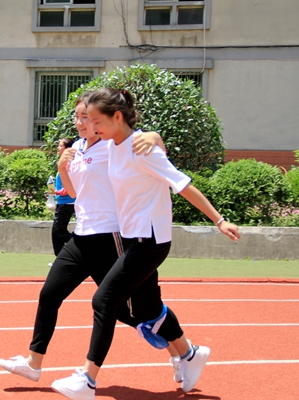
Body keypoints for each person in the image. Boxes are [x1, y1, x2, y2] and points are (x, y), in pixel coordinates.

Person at [50, 88, 240, 400]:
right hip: (130, 239)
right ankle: (190, 354)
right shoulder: (113, 146)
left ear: (117, 116)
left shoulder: (142, 148)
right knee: (148, 309)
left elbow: (183, 185)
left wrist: (219, 220)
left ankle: (87, 380)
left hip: (149, 241)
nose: (91, 127)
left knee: (103, 301)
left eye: (96, 121)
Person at [0, 93, 184, 386]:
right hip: (82, 235)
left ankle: (178, 351)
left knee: (122, 310)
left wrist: (155, 135)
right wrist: (62, 166)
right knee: (50, 295)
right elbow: (74, 195)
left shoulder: (113, 145)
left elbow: (149, 145)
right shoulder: (77, 147)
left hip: (111, 236)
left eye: (86, 117)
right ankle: (34, 362)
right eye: (77, 117)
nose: (81, 122)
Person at [50, 137, 76, 261]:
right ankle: (60, 259)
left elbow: (70, 186)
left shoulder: (68, 165)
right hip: (62, 202)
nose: (58, 147)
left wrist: (57, 192)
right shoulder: (63, 164)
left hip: (67, 203)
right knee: (56, 232)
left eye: (60, 145)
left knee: (59, 231)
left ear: (66, 148)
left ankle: (80, 244)